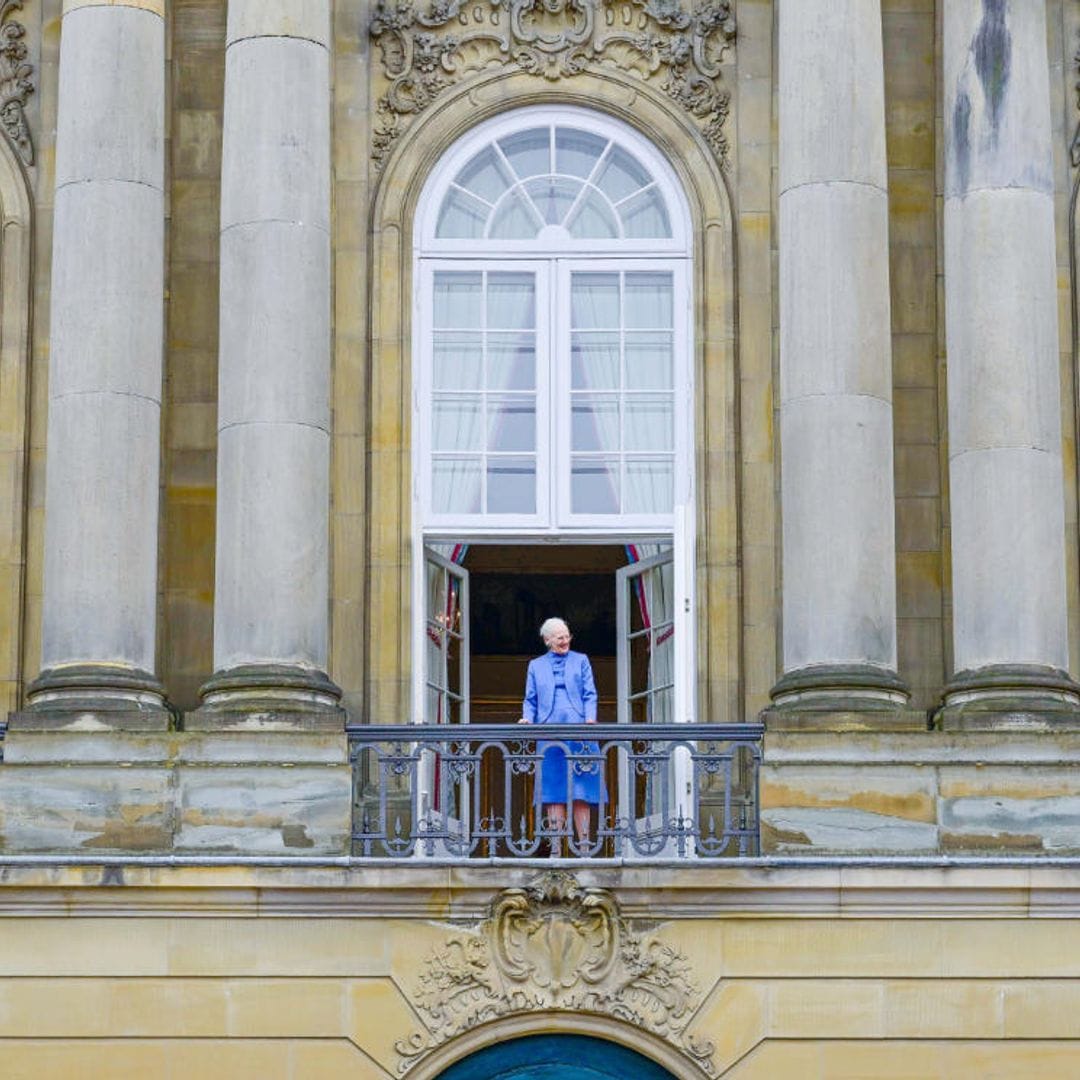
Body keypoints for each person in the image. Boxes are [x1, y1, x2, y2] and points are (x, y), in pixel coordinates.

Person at [519, 617, 606, 852]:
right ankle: (557, 849)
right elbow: (531, 699)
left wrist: (590, 718)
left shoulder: (581, 661)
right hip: (548, 732)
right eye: (560, 638)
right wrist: (527, 719)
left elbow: (590, 693)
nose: (565, 640)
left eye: (567, 636)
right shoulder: (536, 666)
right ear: (547, 640)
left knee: (582, 791)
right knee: (554, 790)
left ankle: (585, 848)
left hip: (579, 730)